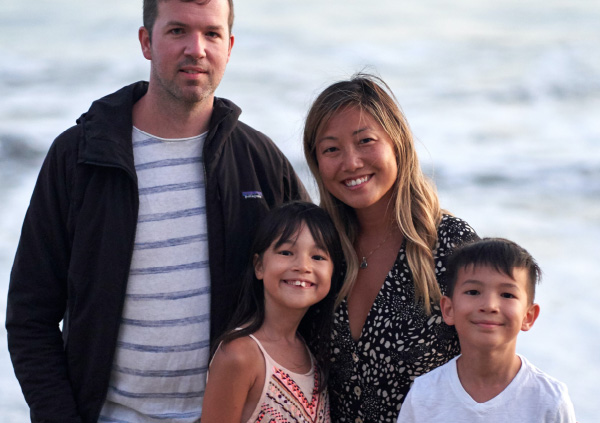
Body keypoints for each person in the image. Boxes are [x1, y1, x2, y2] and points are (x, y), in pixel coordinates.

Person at [5, 1, 308, 422]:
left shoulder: (258, 161)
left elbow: (314, 285)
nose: (196, 49)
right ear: (147, 41)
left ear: (230, 47)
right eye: (178, 31)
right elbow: (30, 317)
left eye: (212, 34)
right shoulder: (79, 157)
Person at [302, 72, 479, 422]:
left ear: (397, 142)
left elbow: (491, 366)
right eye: (331, 149)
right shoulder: (316, 249)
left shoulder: (451, 245)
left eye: (365, 141)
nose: (351, 162)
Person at [397, 237, 577, 422]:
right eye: (473, 292)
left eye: (507, 294)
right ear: (449, 310)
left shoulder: (550, 401)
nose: (490, 305)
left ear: (528, 316)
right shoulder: (423, 395)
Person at [201, 201, 343, 422]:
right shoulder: (239, 355)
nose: (302, 266)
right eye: (286, 252)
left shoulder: (312, 350)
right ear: (259, 266)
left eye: (318, 257)